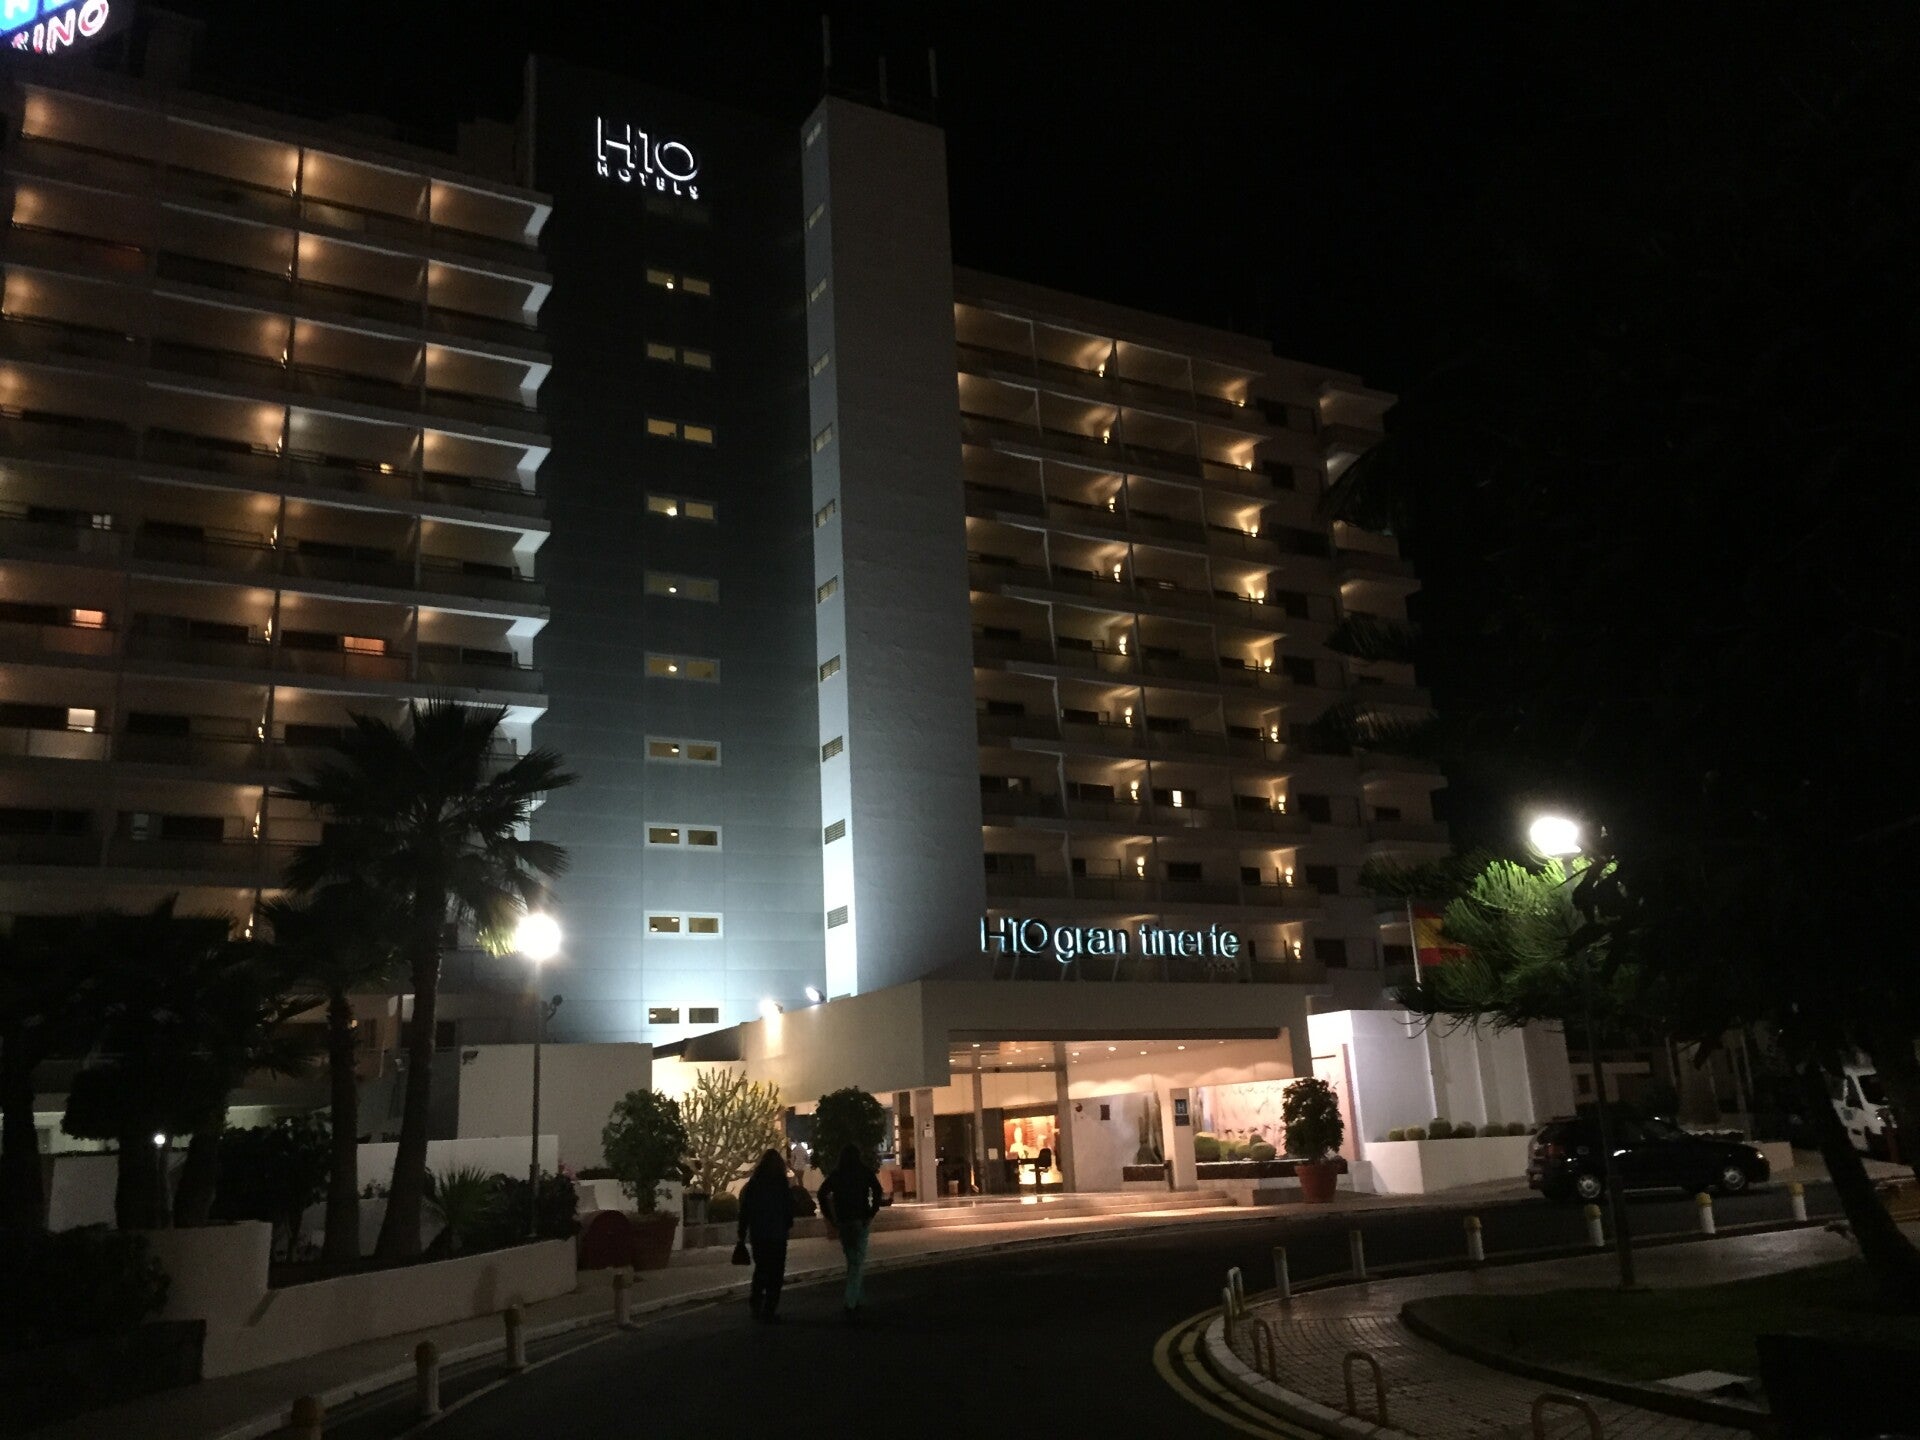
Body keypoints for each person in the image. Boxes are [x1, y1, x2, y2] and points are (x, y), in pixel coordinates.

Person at [817, 1143, 884, 1318]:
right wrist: (872, 1211)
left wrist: (830, 1216)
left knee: (852, 1259)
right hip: (861, 1219)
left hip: (843, 1221)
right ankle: (851, 1300)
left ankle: (857, 1297)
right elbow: (878, 1190)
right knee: (857, 1260)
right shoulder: (864, 1172)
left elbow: (821, 1193)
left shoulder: (837, 1174)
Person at [737, 1149, 794, 1322]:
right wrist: (787, 1225)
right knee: (776, 1273)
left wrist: (742, 1233)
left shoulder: (754, 1184)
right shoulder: (781, 1183)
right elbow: (788, 1208)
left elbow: (745, 1210)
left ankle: (756, 1305)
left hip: (759, 1233)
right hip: (777, 1234)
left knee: (761, 1269)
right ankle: (769, 1309)